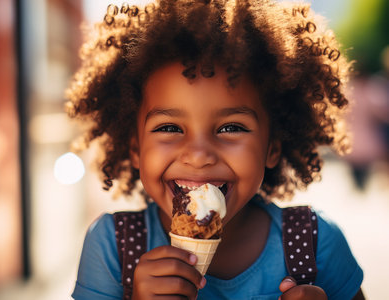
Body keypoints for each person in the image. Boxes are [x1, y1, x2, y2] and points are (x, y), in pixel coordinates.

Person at [66, 0, 364, 299]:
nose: (198, 155)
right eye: (169, 128)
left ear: (272, 147)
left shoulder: (313, 244)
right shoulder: (113, 249)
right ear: (135, 148)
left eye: (231, 128)